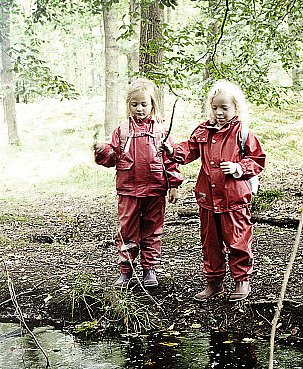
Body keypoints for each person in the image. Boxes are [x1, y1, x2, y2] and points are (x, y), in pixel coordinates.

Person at [161, 80, 265, 302]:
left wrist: (239, 167)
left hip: (234, 198)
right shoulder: (203, 131)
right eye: (215, 107)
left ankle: (241, 281)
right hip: (207, 197)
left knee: (238, 240)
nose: (219, 113)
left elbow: (257, 160)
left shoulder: (242, 133)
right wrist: (171, 150)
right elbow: (188, 150)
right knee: (211, 243)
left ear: (236, 108)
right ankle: (214, 283)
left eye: (225, 108)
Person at [94, 78, 182, 288]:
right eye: (134, 104)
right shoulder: (122, 130)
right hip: (128, 191)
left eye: (144, 104)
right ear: (128, 105)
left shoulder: (161, 130)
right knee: (127, 230)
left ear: (152, 104)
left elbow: (170, 159)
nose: (139, 109)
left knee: (152, 229)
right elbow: (113, 157)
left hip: (155, 189)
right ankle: (126, 271)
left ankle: (149, 269)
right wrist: (102, 151)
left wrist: (174, 185)